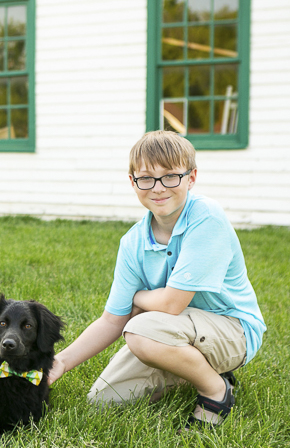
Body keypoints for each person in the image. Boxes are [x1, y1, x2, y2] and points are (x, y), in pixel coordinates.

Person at [47, 130, 266, 429]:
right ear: (133, 182)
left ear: (191, 177)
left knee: (139, 330)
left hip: (232, 330)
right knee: (102, 400)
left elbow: (172, 304)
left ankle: (215, 389)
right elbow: (112, 320)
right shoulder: (133, 242)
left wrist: (137, 299)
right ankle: (191, 368)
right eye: (147, 178)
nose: (159, 188)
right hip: (172, 331)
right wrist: (59, 362)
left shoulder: (206, 217)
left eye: (171, 176)